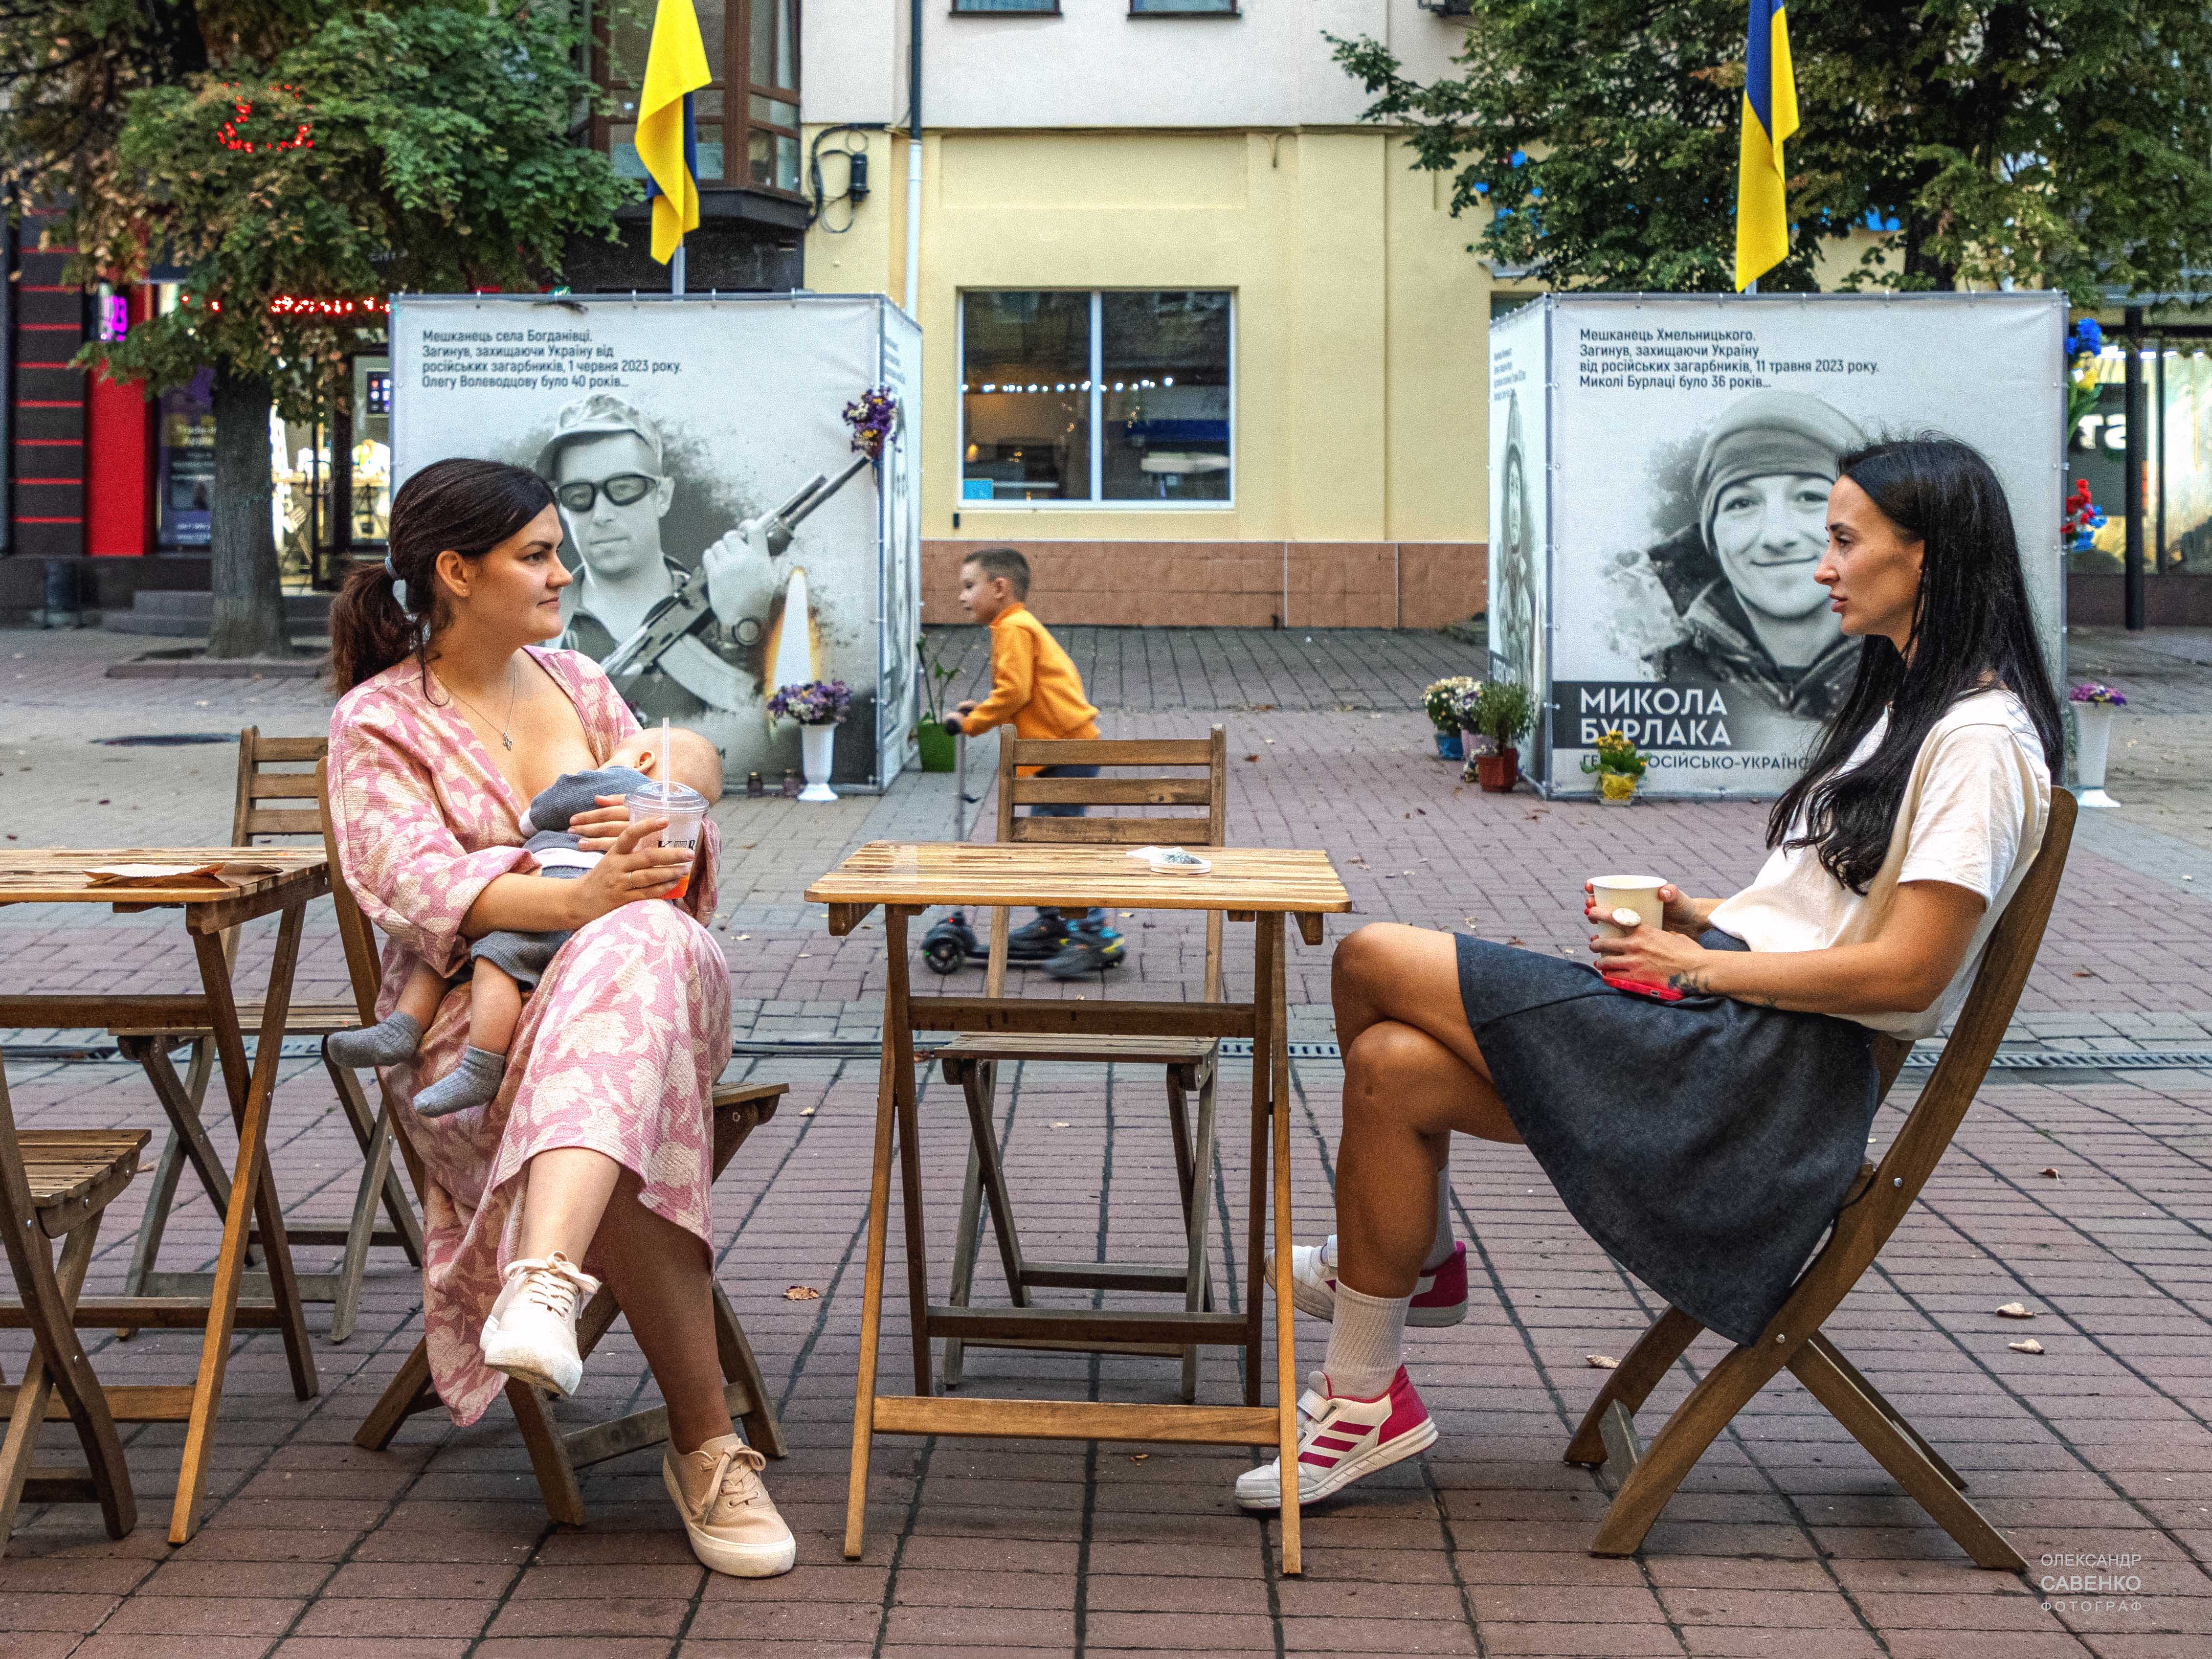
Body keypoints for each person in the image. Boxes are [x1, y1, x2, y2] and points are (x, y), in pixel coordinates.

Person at [1241, 436, 2061, 1511]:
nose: (1820, 565)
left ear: (1927, 556)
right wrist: (1705, 916)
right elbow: (1839, 909)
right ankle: (1366, 1393)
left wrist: (1701, 969)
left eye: (1842, 539)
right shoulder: (1905, 708)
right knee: (1391, 1066)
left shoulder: (1979, 743)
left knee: (1369, 955)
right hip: (1734, 1036)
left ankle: (1416, 1265)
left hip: (1764, 1081)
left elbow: (1908, 972)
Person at [324, 458, 796, 1577]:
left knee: (638, 951)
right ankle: (706, 1449)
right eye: (536, 552)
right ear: (456, 571)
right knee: (622, 1094)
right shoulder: (377, 722)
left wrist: (665, 828)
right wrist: (580, 898)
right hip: (476, 1056)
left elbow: (676, 820)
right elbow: (419, 885)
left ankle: (543, 1275)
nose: (563, 570)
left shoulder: (582, 684)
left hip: (646, 993)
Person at [326, 727, 723, 1119]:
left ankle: (478, 1065)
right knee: (451, 947)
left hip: (560, 888)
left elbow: (543, 811)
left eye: (611, 755)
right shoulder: (670, 821)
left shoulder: (622, 782)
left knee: (494, 960)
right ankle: (402, 1030)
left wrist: (550, 805)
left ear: (642, 761)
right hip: (576, 902)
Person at [540, 393, 780, 758]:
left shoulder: (727, 604)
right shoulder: (537, 624)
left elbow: (776, 743)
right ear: (562, 508)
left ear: (662, 496)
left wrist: (746, 621)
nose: (601, 514)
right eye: (578, 495)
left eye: (624, 488)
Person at [940, 547, 1125, 979]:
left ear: (999, 588)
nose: (962, 597)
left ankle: (1093, 934)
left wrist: (972, 723)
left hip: (1065, 751)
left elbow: (1014, 693)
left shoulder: (1013, 628)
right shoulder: (1016, 625)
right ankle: (1054, 924)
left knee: (1056, 847)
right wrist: (982, 708)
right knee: (1042, 842)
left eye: (969, 586)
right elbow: (1024, 693)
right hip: (1060, 749)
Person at [1645, 390, 1864, 722]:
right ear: (1712, 536)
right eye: (1742, 503)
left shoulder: (1917, 668)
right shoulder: (1654, 674)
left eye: (1809, 497)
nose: (1777, 537)